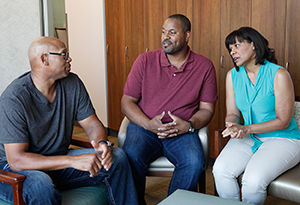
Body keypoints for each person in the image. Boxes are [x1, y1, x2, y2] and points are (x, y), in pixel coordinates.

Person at [0, 36, 138, 205]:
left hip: (56, 162)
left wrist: (102, 143)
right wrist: (72, 161)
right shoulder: (14, 98)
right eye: (63, 55)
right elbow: (17, 160)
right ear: (44, 59)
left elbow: (92, 124)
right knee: (41, 185)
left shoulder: (72, 83)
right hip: (14, 172)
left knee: (118, 158)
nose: (69, 58)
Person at [121, 14, 218, 204]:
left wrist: (188, 125)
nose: (166, 36)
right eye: (164, 32)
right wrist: (148, 124)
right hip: (145, 129)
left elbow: (207, 109)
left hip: (181, 133)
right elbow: (127, 101)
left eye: (172, 32)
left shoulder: (204, 66)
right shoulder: (145, 60)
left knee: (194, 163)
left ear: (187, 35)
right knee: (130, 157)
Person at [212, 27, 300, 205]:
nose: (232, 52)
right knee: (220, 170)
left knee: (252, 180)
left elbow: (283, 121)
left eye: (237, 45)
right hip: (250, 136)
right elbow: (233, 113)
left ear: (253, 45)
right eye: (230, 49)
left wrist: (245, 128)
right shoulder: (232, 75)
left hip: (283, 138)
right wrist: (232, 124)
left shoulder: (279, 74)